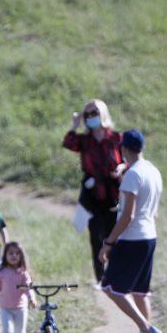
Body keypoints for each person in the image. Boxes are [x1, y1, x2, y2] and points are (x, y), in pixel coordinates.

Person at [99, 129, 164, 333]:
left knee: (111, 288)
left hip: (132, 239)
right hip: (149, 236)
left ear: (124, 149)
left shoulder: (132, 175)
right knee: (139, 292)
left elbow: (127, 216)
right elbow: (154, 211)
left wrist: (108, 242)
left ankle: (147, 330)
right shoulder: (153, 171)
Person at [63, 99, 125, 284]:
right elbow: (68, 143)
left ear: (103, 114)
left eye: (94, 113)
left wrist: (121, 168)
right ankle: (101, 278)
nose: (91, 118)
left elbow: (126, 160)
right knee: (96, 236)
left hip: (113, 193)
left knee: (114, 235)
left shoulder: (116, 138)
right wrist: (75, 125)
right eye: (87, 115)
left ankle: (117, 275)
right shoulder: (84, 141)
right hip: (93, 193)